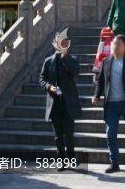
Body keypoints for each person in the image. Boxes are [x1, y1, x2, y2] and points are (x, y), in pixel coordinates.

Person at [92, 34, 125, 173]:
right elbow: (101, 81)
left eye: (118, 44)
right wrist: (96, 95)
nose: (115, 46)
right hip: (111, 104)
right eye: (114, 43)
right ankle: (114, 162)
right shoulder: (106, 61)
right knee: (110, 134)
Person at [39, 29, 83, 170]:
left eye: (63, 42)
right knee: (58, 134)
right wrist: (48, 87)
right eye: (58, 42)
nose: (60, 45)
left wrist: (65, 58)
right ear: (53, 44)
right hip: (54, 102)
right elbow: (42, 78)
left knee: (69, 133)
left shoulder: (73, 59)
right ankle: (61, 160)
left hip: (68, 102)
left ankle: (71, 158)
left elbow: (75, 72)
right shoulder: (48, 61)